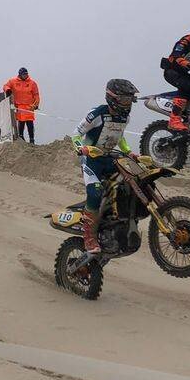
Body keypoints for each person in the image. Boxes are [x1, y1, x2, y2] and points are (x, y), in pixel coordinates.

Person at [72, 79, 140, 253]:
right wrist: (82, 149)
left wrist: (129, 151)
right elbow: (76, 133)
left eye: (130, 100)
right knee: (95, 193)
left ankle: (121, 224)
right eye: (124, 100)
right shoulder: (96, 114)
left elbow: (119, 136)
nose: (128, 104)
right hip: (92, 160)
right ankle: (89, 238)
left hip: (110, 157)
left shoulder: (126, 117)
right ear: (112, 98)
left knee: (132, 182)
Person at [3, 67, 40, 144]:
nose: (25, 76)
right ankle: (21, 136)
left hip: (29, 107)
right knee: (21, 122)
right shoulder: (13, 81)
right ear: (20, 74)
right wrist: (8, 90)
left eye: (26, 74)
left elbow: (36, 95)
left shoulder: (32, 83)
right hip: (19, 106)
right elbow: (5, 86)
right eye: (23, 74)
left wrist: (36, 104)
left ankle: (32, 139)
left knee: (30, 123)